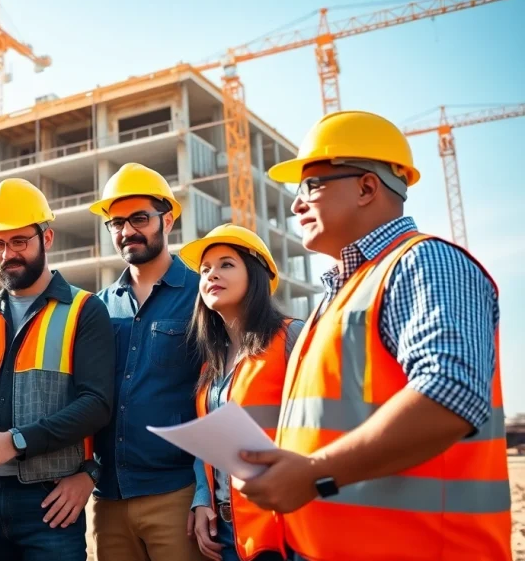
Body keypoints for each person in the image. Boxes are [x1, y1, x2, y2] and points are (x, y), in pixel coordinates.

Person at [234, 110, 512, 561]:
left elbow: (451, 392)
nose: (295, 205)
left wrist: (314, 474)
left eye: (311, 186)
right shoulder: (341, 295)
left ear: (366, 187)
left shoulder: (426, 264)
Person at [0, 178, 115, 561]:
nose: (8, 254)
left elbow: (98, 404)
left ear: (47, 238)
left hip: (49, 502)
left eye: (19, 241)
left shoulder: (84, 311)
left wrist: (16, 441)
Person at [86, 163, 204, 561]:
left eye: (139, 218)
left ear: (167, 219)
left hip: (177, 495)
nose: (127, 231)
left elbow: (219, 396)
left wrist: (204, 494)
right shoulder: (99, 306)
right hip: (109, 497)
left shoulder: (201, 296)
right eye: (116, 222)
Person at [179, 224, 301, 561]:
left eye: (226, 264)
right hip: (228, 534)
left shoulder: (292, 339)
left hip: (283, 529)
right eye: (205, 270)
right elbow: (211, 445)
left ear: (256, 275)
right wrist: (203, 499)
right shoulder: (210, 367)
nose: (211, 275)